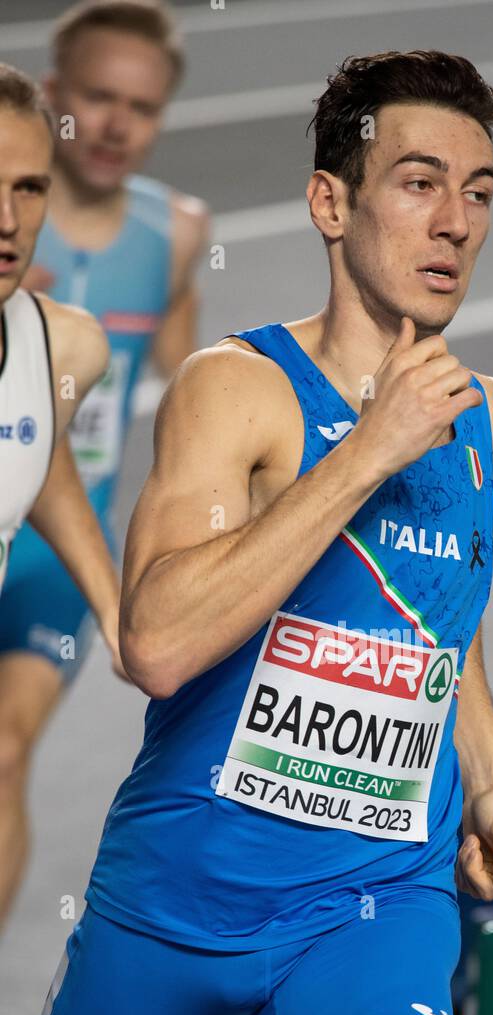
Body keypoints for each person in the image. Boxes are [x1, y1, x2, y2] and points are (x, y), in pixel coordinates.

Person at [1, 51, 493, 1015]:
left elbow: (436, 604)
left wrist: (487, 760)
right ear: (330, 203)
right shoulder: (234, 392)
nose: (454, 220)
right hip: (186, 890)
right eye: (416, 182)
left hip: (371, 899)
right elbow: (159, 641)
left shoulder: (492, 419)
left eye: (478, 191)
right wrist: (363, 453)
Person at [0, 0, 209, 928]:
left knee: (4, 753)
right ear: (57, 98)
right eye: (98, 97)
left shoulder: (174, 234)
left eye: (144, 106)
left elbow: (182, 390)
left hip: (51, 547)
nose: (119, 124)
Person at [0, 64, 124, 806]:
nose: (8, 220)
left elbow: (36, 460)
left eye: (30, 187)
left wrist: (117, 616)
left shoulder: (66, 348)